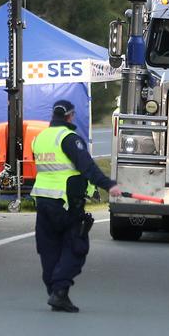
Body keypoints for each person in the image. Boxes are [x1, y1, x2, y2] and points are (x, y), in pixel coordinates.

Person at [31, 100, 122, 313]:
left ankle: (54, 291)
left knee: (48, 248)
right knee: (75, 245)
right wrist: (108, 185)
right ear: (70, 116)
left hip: (43, 201)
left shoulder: (39, 139)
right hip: (66, 202)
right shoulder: (69, 139)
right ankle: (60, 291)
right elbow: (87, 167)